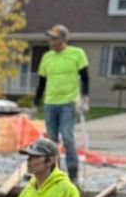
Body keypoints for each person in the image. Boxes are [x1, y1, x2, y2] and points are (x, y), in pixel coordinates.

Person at [35, 25, 89, 183]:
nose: (51, 41)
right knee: (51, 141)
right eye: (50, 38)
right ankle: (53, 173)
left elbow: (85, 78)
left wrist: (84, 98)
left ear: (63, 39)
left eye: (54, 38)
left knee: (67, 137)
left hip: (68, 102)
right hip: (50, 103)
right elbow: (42, 82)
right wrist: (35, 104)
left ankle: (73, 174)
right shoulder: (47, 57)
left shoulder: (77, 54)